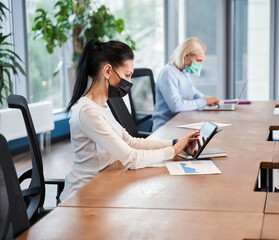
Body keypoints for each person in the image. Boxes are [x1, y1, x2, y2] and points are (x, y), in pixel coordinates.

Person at [60, 39, 199, 201]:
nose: (129, 82)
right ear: (107, 71)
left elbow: (131, 142)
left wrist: (175, 143)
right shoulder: (87, 111)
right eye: (127, 75)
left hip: (104, 184)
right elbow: (131, 158)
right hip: (83, 194)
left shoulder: (102, 106)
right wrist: (173, 151)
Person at [152, 37, 219, 131]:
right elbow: (176, 106)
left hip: (181, 123)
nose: (200, 65)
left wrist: (209, 100)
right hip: (166, 128)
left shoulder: (183, 72)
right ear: (187, 55)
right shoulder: (167, 73)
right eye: (198, 60)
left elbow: (194, 93)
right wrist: (204, 101)